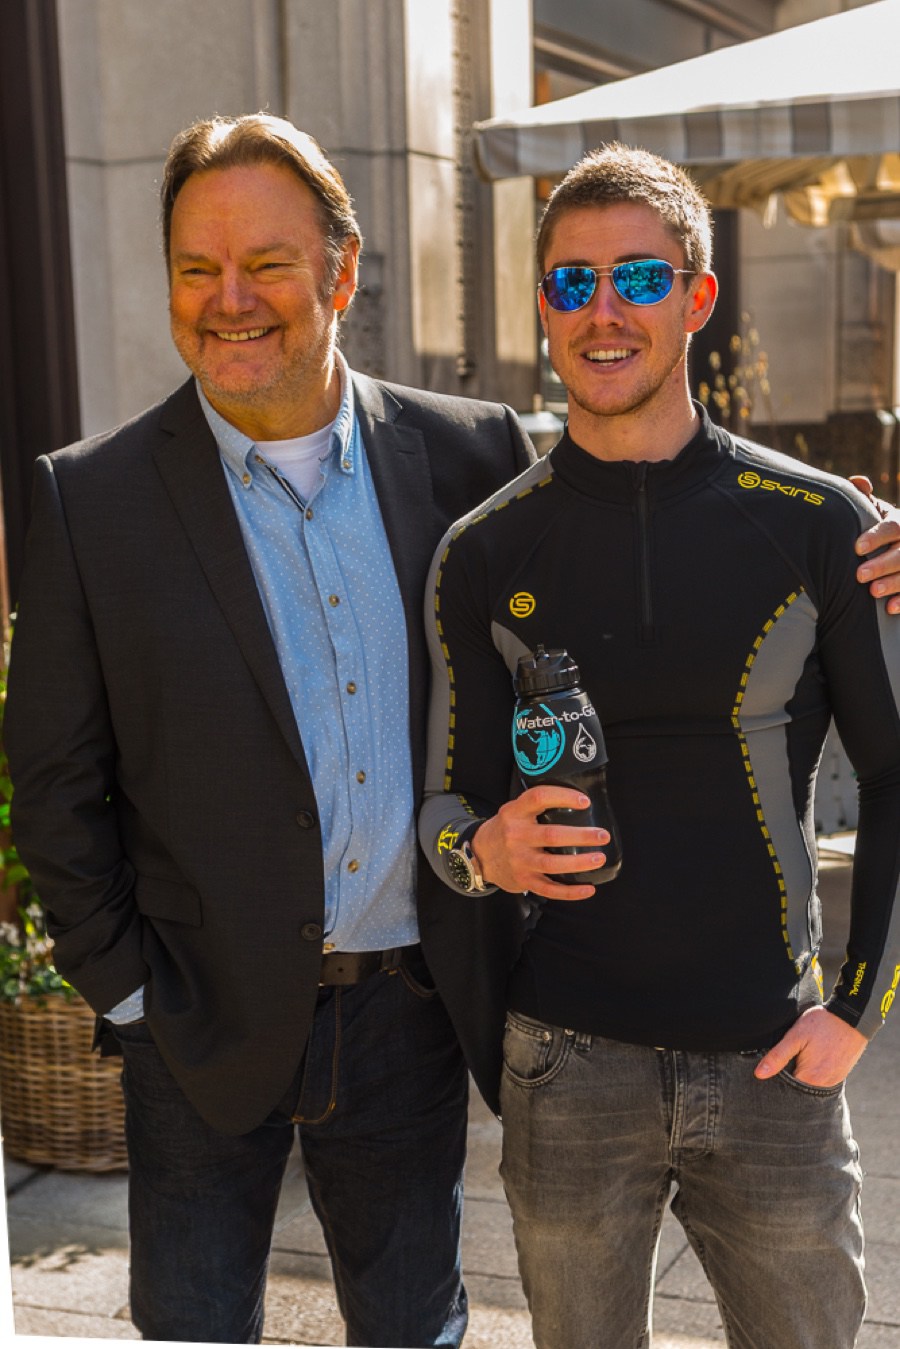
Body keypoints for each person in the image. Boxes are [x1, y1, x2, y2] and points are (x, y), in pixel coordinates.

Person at [3, 112, 535, 1347]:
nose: (229, 300)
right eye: (198, 268)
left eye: (266, 264)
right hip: (193, 1024)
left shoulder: (473, 457)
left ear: (341, 274)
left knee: (414, 1328)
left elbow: (588, 645)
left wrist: (837, 541)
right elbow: (54, 781)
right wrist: (130, 993)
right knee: (193, 1330)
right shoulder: (89, 498)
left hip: (410, 1009)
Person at [419, 143, 900, 1349]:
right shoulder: (483, 551)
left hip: (777, 1059)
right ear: (543, 308)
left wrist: (857, 1007)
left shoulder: (820, 524)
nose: (604, 310)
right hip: (566, 1066)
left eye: (638, 276)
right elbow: (442, 809)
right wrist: (484, 851)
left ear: (698, 296)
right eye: (570, 282)